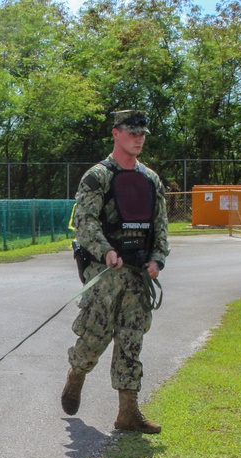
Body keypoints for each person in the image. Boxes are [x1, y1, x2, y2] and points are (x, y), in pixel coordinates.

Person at [60, 110, 170, 433]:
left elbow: (160, 226)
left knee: (131, 339)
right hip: (106, 275)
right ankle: (77, 373)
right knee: (94, 336)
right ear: (116, 133)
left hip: (138, 276)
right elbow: (85, 222)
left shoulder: (151, 180)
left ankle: (127, 412)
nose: (139, 138)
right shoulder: (98, 177)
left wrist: (157, 260)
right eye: (132, 132)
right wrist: (106, 250)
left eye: (142, 133)